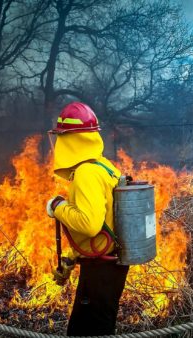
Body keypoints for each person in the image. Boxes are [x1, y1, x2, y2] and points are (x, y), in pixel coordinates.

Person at [46, 102, 129, 336]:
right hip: (107, 262)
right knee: (92, 326)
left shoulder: (86, 173)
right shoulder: (103, 165)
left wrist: (57, 207)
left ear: (69, 140)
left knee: (89, 331)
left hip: (101, 267)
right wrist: (72, 258)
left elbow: (90, 224)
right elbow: (104, 220)